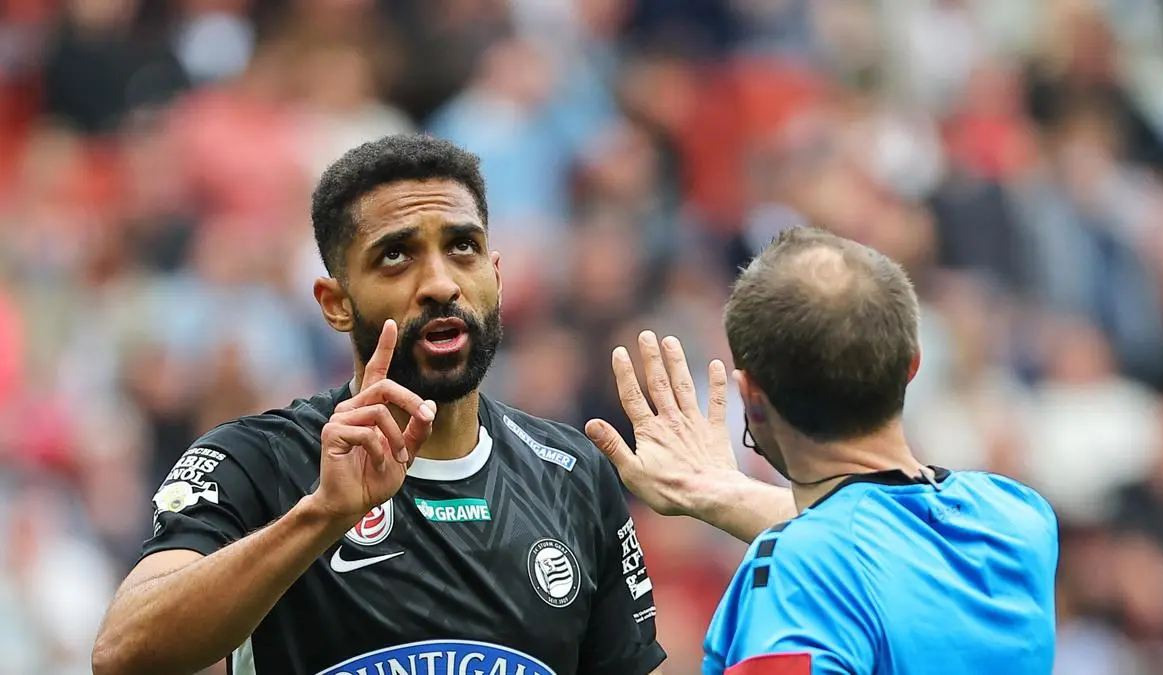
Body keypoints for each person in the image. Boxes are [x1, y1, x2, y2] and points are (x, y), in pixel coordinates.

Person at [90, 134, 796, 675]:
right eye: (396, 256)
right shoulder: (257, 459)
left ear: (495, 274)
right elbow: (124, 652)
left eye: (462, 248)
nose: (439, 283)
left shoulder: (573, 475)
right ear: (335, 303)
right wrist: (321, 515)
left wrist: (730, 499)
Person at [589, 227, 1059, 674]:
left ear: (752, 399)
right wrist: (722, 492)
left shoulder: (792, 577)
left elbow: (842, 544)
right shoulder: (1019, 517)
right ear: (911, 365)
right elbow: (875, 536)